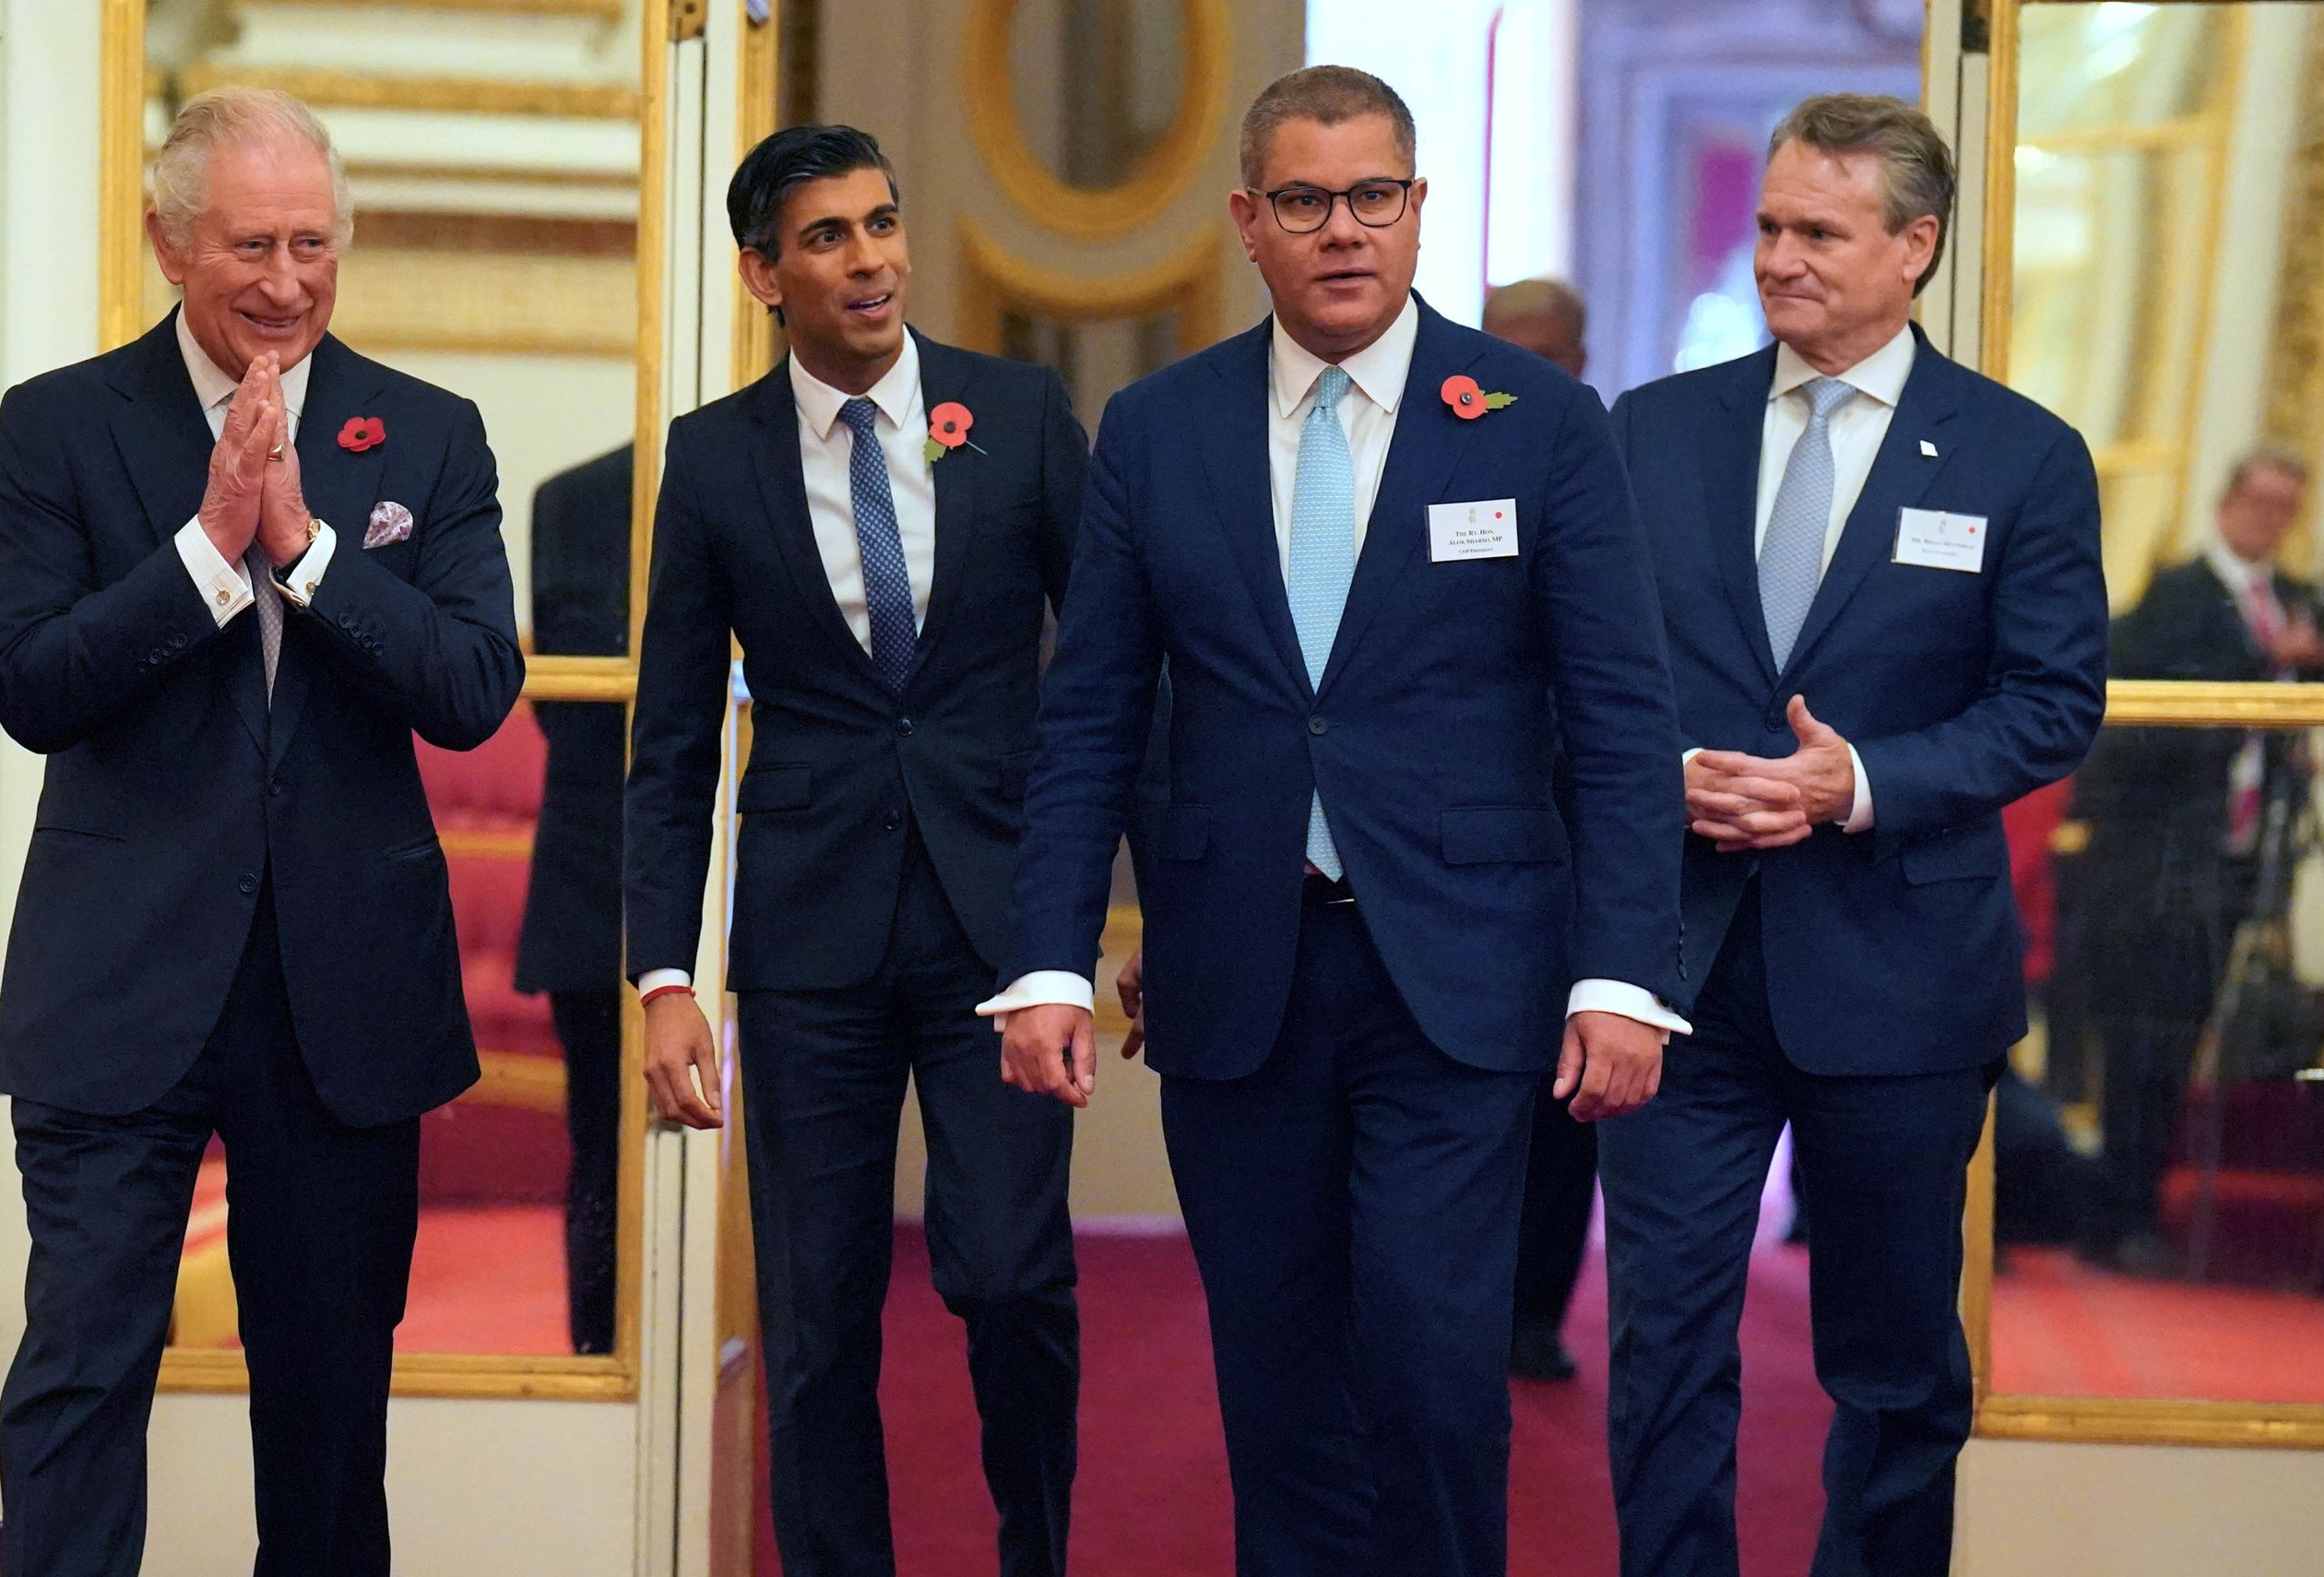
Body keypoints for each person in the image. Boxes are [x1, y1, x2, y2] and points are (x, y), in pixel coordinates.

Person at [984, 66, 1687, 1577]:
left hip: (1461, 984)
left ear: (1420, 208)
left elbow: (1626, 725)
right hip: (1241, 983)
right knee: (1278, 1385)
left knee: (1438, 1378)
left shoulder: (1541, 426)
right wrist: (1047, 957)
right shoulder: (1159, 431)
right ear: (1249, 222)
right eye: (1305, 201)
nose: (1343, 230)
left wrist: (1623, 974)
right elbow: (1092, 713)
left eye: (1375, 195)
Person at [0, 88, 520, 1577]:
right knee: (83, 1372)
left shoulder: (425, 433)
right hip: (118, 984)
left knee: (330, 1400)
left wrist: (308, 549)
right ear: (167, 244)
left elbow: (476, 689)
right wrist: (211, 556)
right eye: (250, 248)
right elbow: (29, 686)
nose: (287, 282)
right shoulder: (62, 427)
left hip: (342, 993)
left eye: (313, 245)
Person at [1601, 93, 2105, 1577]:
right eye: (1768, 225)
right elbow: (1579, 672)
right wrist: (1661, 771)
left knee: (1893, 1367)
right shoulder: (1652, 432)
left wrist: (1852, 780)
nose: (1778, 258)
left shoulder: (2019, 457)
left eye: (1819, 231)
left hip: (1898, 970)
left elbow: (2050, 704)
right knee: (1665, 1344)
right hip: (1674, 970)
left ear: (1915, 248)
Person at [624, 125, 1091, 1576]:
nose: (870, 258)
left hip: (999, 932)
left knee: (1011, 1278)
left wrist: (1116, 930)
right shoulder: (712, 463)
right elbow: (674, 738)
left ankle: (1034, 1548)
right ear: (764, 273)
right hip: (810, 939)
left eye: (882, 223)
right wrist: (662, 976)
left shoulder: (1018, 415)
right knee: (816, 1319)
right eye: (826, 236)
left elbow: (1107, 681)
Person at [2065, 447, 2324, 1274]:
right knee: (2138, 1041)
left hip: (2233, 858)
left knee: (2184, 1044)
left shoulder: (2288, 601)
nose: (2270, 521)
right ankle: (2118, 1215)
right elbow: (2137, 717)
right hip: (2156, 864)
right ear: (2228, 499)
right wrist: (2271, 663)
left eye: (2288, 509)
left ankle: (2144, 1209)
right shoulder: (2177, 592)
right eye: (2260, 502)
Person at [1483, 274, 1601, 1382]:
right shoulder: (1442, 442)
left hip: (1575, 833)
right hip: (1457, 839)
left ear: (1576, 361)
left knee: (1563, 1098)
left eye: (1539, 353)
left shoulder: (1598, 456)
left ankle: (1533, 1309)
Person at [516, 442, 634, 1353]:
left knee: (601, 1154)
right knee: (602, 1148)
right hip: (598, 878)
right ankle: (600, 1373)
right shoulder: (576, 496)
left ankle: (598, 1360)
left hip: (596, 865)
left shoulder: (572, 498)